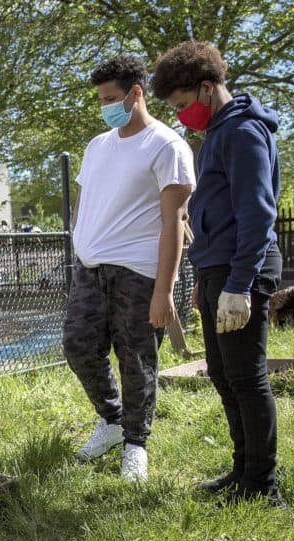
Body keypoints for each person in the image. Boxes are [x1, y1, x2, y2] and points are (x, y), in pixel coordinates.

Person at [152, 41, 286, 508]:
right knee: (224, 376)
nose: (181, 115)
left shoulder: (243, 132)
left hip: (240, 270)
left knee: (247, 377)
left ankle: (263, 484)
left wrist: (237, 284)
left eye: (184, 105)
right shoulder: (216, 134)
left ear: (208, 88)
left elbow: (257, 213)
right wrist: (205, 279)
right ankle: (242, 468)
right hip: (217, 271)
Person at [64, 55, 195, 482]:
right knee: (79, 347)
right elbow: (85, 201)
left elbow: (175, 221)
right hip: (90, 268)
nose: (105, 107)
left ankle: (136, 444)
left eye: (112, 98)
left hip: (138, 272)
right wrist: (81, 236)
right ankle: (113, 421)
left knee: (137, 360)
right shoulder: (97, 145)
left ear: (136, 92)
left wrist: (164, 290)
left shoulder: (167, 146)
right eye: (101, 100)